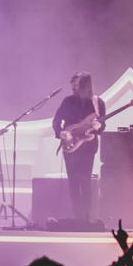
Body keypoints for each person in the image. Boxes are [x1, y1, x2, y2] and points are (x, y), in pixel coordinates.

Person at [52, 72, 104, 224]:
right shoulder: (67, 101)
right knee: (73, 182)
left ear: (85, 85)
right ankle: (77, 216)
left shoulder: (97, 102)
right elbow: (56, 120)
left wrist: (98, 127)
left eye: (76, 83)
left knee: (85, 180)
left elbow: (102, 127)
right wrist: (60, 133)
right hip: (70, 145)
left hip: (88, 146)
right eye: (72, 84)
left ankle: (87, 218)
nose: (73, 87)